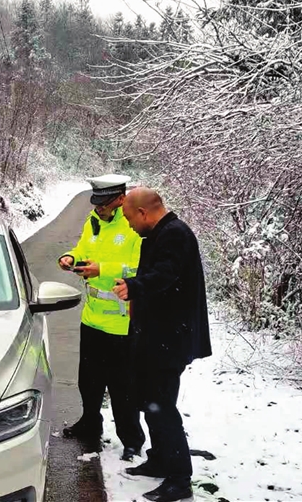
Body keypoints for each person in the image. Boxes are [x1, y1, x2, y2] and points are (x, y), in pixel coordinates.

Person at [112, 187, 212, 502]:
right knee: (151, 403)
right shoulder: (160, 234)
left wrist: (134, 287)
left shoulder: (175, 235)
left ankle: (180, 478)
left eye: (128, 217)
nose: (127, 224)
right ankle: (159, 460)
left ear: (143, 213)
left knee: (162, 408)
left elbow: (165, 275)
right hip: (155, 338)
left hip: (169, 340)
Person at [57, 174, 145, 462]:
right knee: (89, 381)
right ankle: (90, 424)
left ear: (120, 198)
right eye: (95, 203)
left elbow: (140, 268)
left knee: (123, 388)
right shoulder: (93, 221)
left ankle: (131, 440)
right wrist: (71, 257)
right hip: (91, 317)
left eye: (104, 203)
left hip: (121, 322)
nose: (98, 208)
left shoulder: (133, 227)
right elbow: (84, 247)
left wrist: (102, 269)